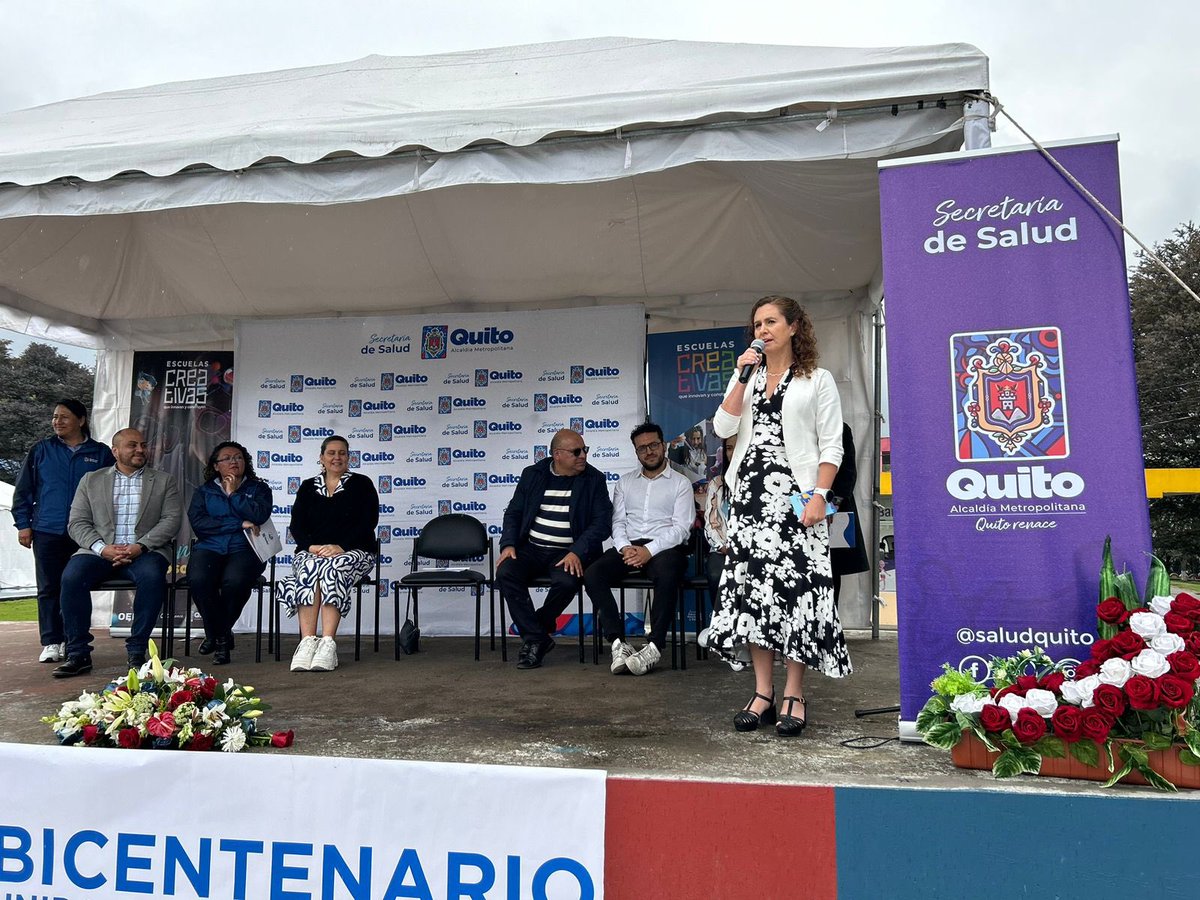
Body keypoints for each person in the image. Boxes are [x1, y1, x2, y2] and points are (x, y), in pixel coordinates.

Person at [706, 295, 850, 737]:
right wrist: (740, 376)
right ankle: (762, 692)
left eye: (771, 322)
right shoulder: (746, 374)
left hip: (797, 498)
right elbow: (722, 429)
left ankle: (794, 692)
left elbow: (832, 445)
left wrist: (820, 496)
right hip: (749, 498)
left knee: (798, 595)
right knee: (754, 596)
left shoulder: (817, 379)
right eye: (757, 323)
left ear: (792, 327)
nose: (763, 329)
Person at [54, 428, 182, 677]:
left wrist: (140, 546)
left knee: (153, 577)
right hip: (98, 552)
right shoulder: (91, 480)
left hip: (145, 550)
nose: (140, 450)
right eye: (132, 445)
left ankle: (137, 651)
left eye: (143, 445)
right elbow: (77, 522)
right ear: (115, 451)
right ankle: (78, 653)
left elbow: (171, 520)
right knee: (71, 578)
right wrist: (102, 549)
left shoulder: (164, 480)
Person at [496, 428, 612, 670]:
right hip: (532, 548)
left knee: (568, 582)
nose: (583, 456)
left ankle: (536, 629)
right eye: (576, 451)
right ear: (557, 455)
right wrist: (508, 544)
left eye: (585, 450)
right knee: (506, 572)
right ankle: (537, 637)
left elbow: (602, 523)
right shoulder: (532, 475)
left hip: (568, 551)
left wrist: (577, 551)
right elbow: (514, 512)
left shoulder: (594, 479)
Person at [583, 422, 694, 676]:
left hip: (666, 548)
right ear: (636, 452)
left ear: (663, 445)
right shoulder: (624, 483)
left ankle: (654, 646)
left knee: (668, 572)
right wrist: (625, 548)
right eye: (642, 448)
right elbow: (618, 522)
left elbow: (681, 529)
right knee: (593, 573)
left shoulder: (680, 483)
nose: (649, 451)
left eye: (653, 445)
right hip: (629, 546)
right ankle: (618, 643)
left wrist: (649, 551)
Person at [10, 399, 115, 663]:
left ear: (81, 420)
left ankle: (74, 640)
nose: (57, 421)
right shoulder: (41, 450)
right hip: (48, 529)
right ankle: (51, 641)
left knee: (76, 585)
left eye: (64, 417)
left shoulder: (100, 453)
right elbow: (24, 490)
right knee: (48, 588)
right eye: (55, 417)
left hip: (86, 532)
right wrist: (23, 524)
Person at [279, 435, 379, 673]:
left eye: (342, 453)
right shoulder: (307, 486)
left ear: (349, 457)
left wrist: (341, 546)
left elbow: (368, 522)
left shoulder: (362, 484)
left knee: (331, 568)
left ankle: (327, 644)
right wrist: (311, 547)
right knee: (311, 568)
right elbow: (297, 525)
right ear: (321, 457)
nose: (337, 457)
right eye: (331, 453)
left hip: (355, 551)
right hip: (312, 552)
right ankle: (307, 642)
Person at [186, 441, 274, 665]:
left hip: (245, 548)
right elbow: (199, 523)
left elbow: (259, 515)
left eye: (239, 457)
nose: (234, 461)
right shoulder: (204, 491)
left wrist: (234, 494)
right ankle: (222, 634)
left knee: (235, 582)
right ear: (216, 466)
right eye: (228, 458)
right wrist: (238, 524)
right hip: (210, 547)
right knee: (199, 580)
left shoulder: (258, 488)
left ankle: (216, 636)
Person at [696, 434, 737, 651]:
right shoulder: (717, 483)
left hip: (755, 551)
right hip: (722, 548)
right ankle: (725, 633)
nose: (733, 452)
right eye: (729, 447)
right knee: (715, 573)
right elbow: (711, 522)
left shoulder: (764, 482)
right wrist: (723, 546)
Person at [830, 423, 869, 607]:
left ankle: (833, 623)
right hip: (798, 505)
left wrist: (834, 503)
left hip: (835, 508)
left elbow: (848, 471)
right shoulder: (795, 425)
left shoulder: (840, 427)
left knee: (833, 568)